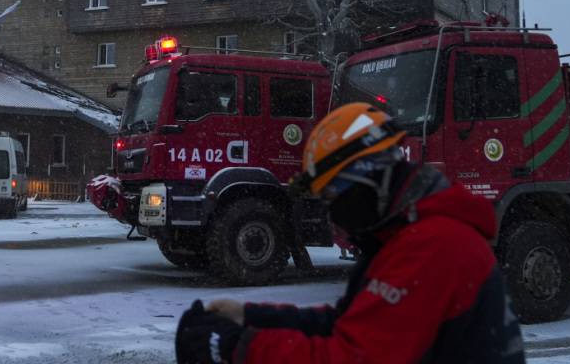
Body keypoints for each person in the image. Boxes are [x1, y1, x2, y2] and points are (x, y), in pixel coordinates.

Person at [175, 103, 526, 364]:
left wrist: (240, 346)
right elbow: (344, 323)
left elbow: (354, 358)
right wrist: (250, 316)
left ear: (369, 179)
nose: (333, 211)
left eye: (333, 196)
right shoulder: (401, 238)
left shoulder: (434, 245)